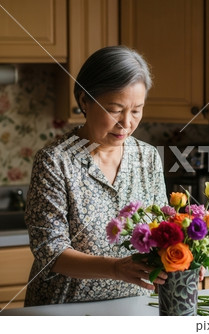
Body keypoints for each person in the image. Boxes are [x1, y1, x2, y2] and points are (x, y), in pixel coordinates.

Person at [23, 46, 169, 306]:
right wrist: (115, 269)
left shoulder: (148, 157)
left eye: (136, 110)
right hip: (64, 309)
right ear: (84, 100)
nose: (126, 123)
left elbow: (161, 232)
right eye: (115, 109)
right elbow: (50, 252)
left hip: (133, 307)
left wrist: (186, 257)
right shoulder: (55, 161)